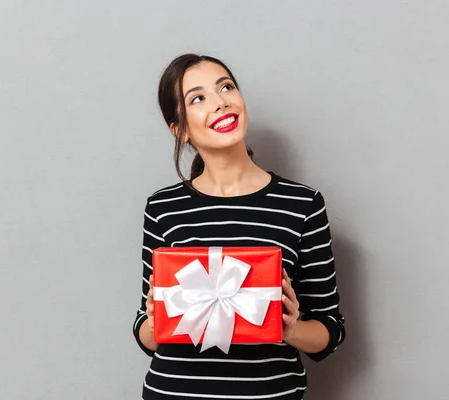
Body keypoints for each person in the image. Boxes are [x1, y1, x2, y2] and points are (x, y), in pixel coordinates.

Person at [132, 54, 346, 400]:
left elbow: (330, 330)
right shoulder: (163, 207)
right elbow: (145, 333)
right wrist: (154, 321)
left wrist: (289, 328)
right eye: (198, 98)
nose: (220, 102)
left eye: (226, 87)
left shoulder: (303, 204)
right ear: (181, 129)